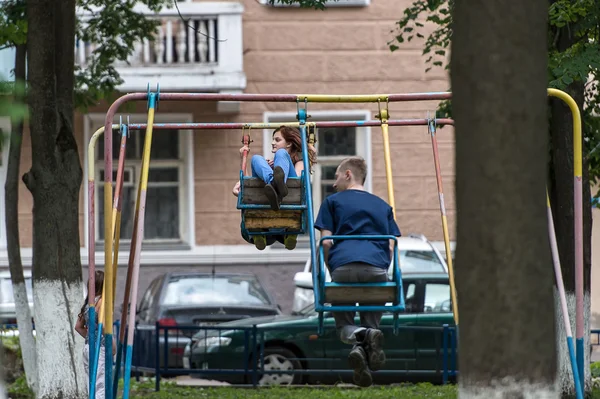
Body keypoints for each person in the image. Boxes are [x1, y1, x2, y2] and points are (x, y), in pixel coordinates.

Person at [314, 156, 401, 388]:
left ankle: (360, 342)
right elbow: (391, 244)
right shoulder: (383, 206)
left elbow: (325, 243)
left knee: (345, 329)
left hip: (343, 267)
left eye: (336, 176)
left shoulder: (332, 202)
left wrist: (332, 270)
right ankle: (365, 348)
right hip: (376, 269)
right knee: (372, 328)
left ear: (348, 174)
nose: (334, 183)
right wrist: (380, 266)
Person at [233, 126, 317, 251]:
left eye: (277, 140)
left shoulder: (298, 162)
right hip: (268, 210)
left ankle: (276, 184)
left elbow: (298, 185)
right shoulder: (268, 165)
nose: (273, 143)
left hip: (287, 207)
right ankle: (273, 182)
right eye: (273, 140)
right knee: (256, 158)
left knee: (281, 153)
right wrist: (244, 159)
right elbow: (248, 188)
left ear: (289, 143)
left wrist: (309, 152)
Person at [75, 270, 114, 399]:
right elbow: (103, 327)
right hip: (100, 349)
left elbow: (78, 327)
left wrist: (90, 337)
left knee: (91, 384)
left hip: (87, 348)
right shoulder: (102, 302)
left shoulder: (88, 304)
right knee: (100, 385)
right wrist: (111, 345)